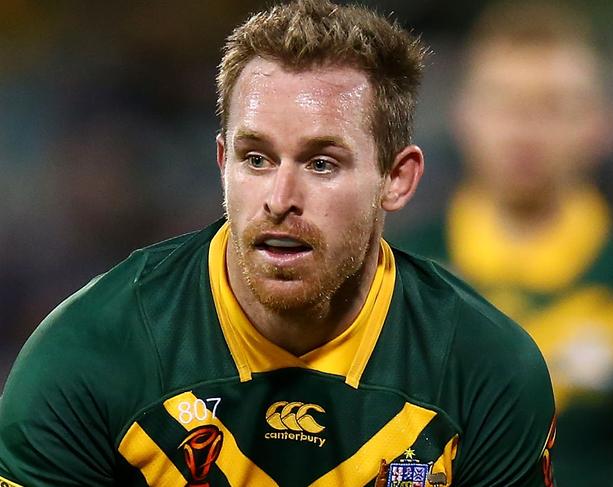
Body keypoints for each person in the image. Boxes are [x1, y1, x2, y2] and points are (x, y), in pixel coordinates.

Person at [0, 1, 556, 485]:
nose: (280, 198)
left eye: (321, 163)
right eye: (256, 159)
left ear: (397, 178)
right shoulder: (87, 354)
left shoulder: (487, 369)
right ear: (222, 164)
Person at [394, 1, 613, 486]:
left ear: (602, 124)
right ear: (462, 115)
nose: (525, 132)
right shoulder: (396, 276)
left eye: (553, 106)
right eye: (504, 103)